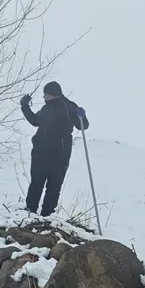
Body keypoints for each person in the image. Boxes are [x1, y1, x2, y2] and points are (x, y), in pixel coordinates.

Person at [20, 81, 89, 216]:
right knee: (36, 182)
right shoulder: (46, 108)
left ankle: (47, 215)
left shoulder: (69, 107)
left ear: (53, 94)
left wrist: (83, 117)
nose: (44, 97)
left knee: (54, 185)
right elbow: (35, 121)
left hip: (59, 154)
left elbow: (82, 126)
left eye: (46, 94)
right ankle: (30, 212)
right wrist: (25, 107)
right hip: (40, 151)